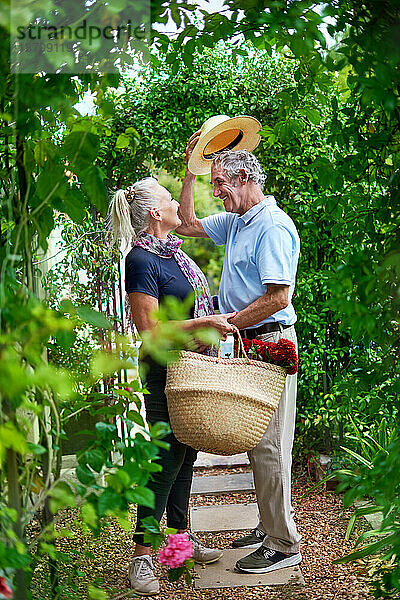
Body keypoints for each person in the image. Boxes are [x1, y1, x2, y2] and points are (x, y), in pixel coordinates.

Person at [175, 138, 302, 575]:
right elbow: (186, 223)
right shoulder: (236, 221)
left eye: (221, 184)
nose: (218, 193)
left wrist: (230, 322)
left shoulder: (272, 226)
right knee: (256, 442)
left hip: (271, 340)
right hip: (248, 340)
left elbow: (278, 295)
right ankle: (269, 526)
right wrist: (192, 170)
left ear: (245, 178)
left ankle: (283, 544)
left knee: (270, 447)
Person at [110, 177, 235, 595]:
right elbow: (148, 329)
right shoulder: (142, 260)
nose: (175, 204)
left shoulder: (174, 255)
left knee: (187, 455)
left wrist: (188, 172)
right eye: (168, 199)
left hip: (193, 365)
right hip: (165, 369)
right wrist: (203, 322)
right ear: (153, 214)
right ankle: (142, 558)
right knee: (167, 460)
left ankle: (180, 542)